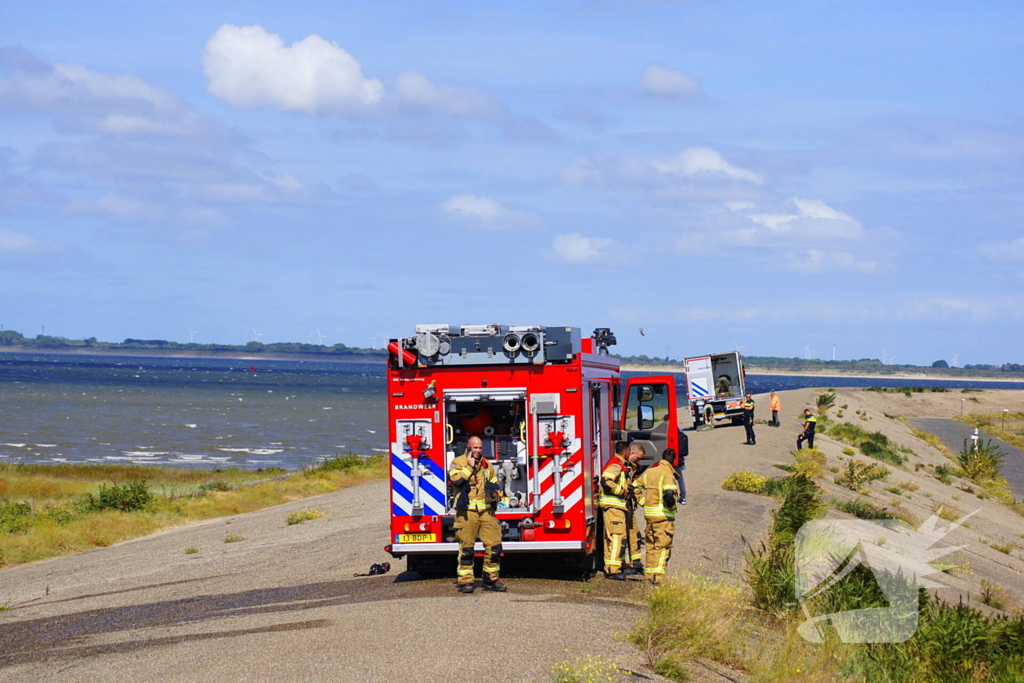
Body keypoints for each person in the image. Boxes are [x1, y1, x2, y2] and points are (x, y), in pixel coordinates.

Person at [448, 436, 506, 593]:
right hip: (467, 513)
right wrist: (469, 467)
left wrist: (494, 493)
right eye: (475, 448)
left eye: (480, 448)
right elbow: (456, 481)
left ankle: (491, 579)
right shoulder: (458, 462)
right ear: (469, 447)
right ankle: (466, 581)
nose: (478, 451)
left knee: (495, 547)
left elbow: (494, 481)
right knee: (467, 549)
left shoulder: (487, 464)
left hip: (487, 512)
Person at [632, 448, 680, 585]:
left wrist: (643, 502)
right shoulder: (668, 474)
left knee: (651, 545)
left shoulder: (650, 472)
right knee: (663, 546)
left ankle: (649, 574)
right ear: (673, 460)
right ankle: (658, 577)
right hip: (663, 517)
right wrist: (670, 508)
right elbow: (669, 495)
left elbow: (634, 487)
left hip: (650, 515)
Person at [599, 440, 641, 580]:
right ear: (627, 452)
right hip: (614, 506)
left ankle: (615, 566)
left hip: (618, 507)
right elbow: (605, 481)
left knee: (613, 538)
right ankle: (613, 570)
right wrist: (621, 491)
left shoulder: (622, 465)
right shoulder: (616, 465)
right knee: (617, 538)